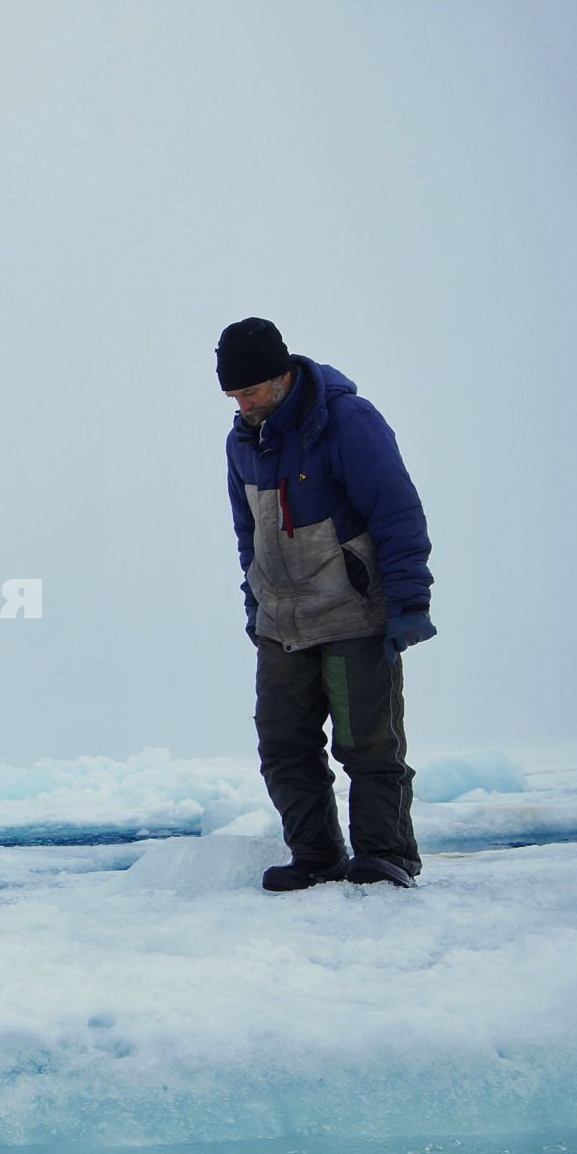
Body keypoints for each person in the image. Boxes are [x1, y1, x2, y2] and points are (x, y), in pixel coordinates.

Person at [218, 318, 436, 892]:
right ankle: (315, 855)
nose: (241, 405)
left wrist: (410, 602)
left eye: (250, 391)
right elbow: (249, 535)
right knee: (283, 745)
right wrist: (253, 600)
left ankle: (386, 856)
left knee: (367, 744)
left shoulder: (346, 423)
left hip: (352, 616)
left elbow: (396, 513)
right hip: (281, 624)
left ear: (282, 376)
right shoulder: (242, 442)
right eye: (232, 396)